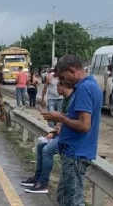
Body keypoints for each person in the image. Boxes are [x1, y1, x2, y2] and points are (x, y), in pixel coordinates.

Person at [42, 54, 102, 206]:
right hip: (73, 151)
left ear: (72, 71)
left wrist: (60, 118)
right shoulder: (89, 85)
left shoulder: (84, 88)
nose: (64, 82)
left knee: (73, 199)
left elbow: (84, 125)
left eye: (64, 76)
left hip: (76, 152)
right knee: (64, 196)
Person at [21, 80, 74, 194]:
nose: (56, 90)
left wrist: (59, 127)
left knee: (47, 150)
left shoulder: (72, 100)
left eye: (57, 87)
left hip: (69, 136)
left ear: (63, 86)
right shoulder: (65, 100)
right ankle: (37, 178)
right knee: (41, 147)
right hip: (62, 133)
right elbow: (62, 118)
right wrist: (54, 131)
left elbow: (68, 119)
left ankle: (43, 183)